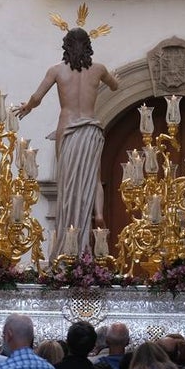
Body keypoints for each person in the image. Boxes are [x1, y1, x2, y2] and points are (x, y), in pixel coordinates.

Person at [13, 27, 120, 260]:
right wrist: (114, 81)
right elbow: (115, 86)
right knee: (93, 176)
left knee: (68, 183)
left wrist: (26, 108)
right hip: (90, 128)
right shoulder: (99, 70)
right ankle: (98, 213)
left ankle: (66, 240)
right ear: (89, 46)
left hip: (69, 129)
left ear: (66, 46)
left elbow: (37, 97)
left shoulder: (57, 71)